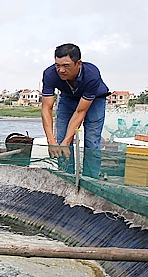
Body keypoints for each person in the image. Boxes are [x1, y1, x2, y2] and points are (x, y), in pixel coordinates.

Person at [41, 43, 109, 178]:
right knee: (60, 139)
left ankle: (91, 179)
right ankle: (66, 177)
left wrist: (68, 141)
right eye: (57, 65)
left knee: (92, 140)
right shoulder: (49, 74)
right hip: (68, 98)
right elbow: (46, 108)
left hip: (94, 100)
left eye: (66, 65)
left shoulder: (92, 74)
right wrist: (51, 141)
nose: (61, 70)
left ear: (78, 64)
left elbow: (80, 112)